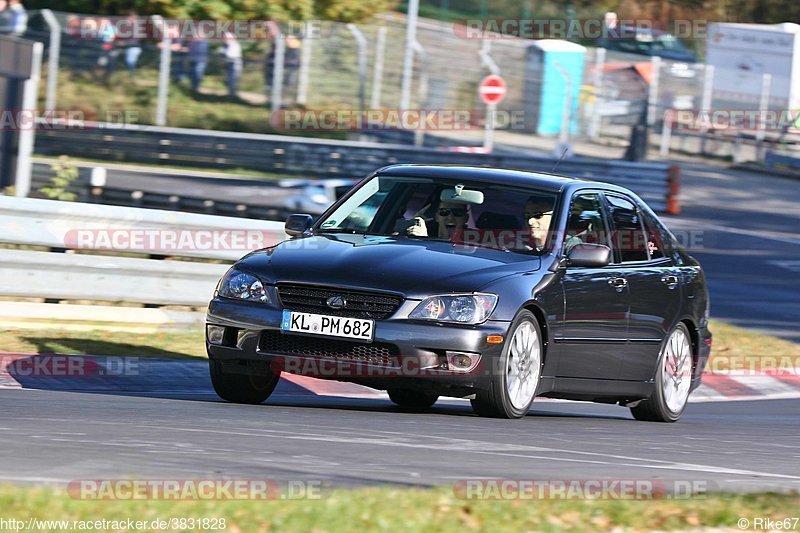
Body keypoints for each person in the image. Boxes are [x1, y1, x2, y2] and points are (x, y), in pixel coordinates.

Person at [221, 32, 242, 99]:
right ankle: (232, 95)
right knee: (229, 82)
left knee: (232, 82)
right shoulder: (226, 45)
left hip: (234, 66)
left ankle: (233, 96)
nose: (225, 39)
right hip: (229, 66)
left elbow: (229, 55)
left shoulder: (234, 45)